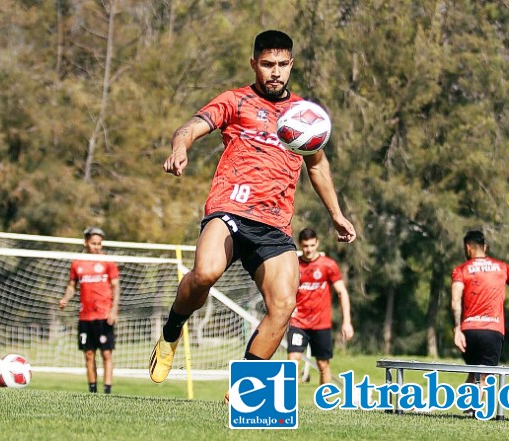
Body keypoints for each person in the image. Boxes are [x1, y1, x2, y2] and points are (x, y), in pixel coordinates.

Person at [148, 30, 356, 387]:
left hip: (274, 224)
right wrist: (180, 147)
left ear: (291, 64)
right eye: (267, 64)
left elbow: (317, 165)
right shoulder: (236, 101)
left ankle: (243, 389)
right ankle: (171, 331)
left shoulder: (303, 115)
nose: (275, 72)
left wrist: (336, 213)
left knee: (284, 305)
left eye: (281, 65)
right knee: (206, 273)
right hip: (230, 208)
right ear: (254, 64)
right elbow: (189, 127)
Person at [451, 229, 509, 387]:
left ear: (467, 248)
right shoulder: (502, 267)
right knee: (484, 377)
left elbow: (455, 300)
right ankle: (475, 410)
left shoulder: (461, 270)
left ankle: (433, 404)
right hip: (492, 330)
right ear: (485, 247)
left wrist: (457, 329)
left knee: (475, 374)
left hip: (468, 330)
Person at [287, 228, 353, 385]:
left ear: (317, 243)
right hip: (298, 322)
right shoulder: (295, 265)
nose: (308, 250)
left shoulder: (328, 266)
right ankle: (287, 402)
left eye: (311, 245)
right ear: (300, 246)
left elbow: (342, 292)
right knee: (292, 360)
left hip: (321, 323)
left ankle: (325, 400)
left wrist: (347, 322)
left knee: (323, 364)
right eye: (305, 246)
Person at [59, 227, 121, 394]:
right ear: (86, 242)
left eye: (99, 244)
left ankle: (107, 391)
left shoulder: (108, 262)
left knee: (107, 354)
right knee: (88, 354)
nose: (97, 247)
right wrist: (65, 298)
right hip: (85, 317)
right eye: (93, 243)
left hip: (104, 315)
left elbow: (116, 287)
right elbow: (72, 286)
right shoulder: (77, 263)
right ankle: (92, 391)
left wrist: (114, 310)